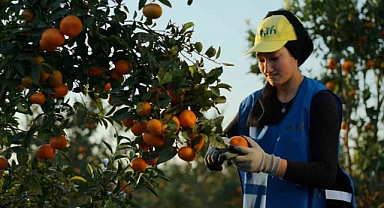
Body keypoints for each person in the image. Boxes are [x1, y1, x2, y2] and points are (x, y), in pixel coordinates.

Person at [204, 9, 356, 208]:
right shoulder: (251, 105)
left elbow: (326, 173)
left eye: (275, 57)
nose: (267, 68)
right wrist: (216, 148)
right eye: (261, 60)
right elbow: (224, 139)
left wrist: (268, 164)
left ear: (295, 52)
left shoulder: (319, 101)